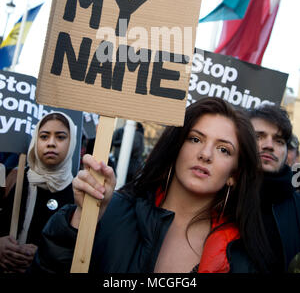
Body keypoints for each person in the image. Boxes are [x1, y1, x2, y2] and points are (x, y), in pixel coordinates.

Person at [30, 97, 274, 274]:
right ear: (175, 147)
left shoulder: (243, 254)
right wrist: (81, 221)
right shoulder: (112, 212)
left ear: (234, 174)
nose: (206, 154)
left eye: (224, 149)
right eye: (195, 139)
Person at [0, 111, 77, 273]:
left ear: (72, 142)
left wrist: (44, 256)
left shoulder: (78, 195)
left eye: (61, 137)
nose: (51, 143)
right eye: (44, 136)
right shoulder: (12, 176)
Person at [248, 104, 300, 273]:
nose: (269, 145)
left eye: (279, 140)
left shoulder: (298, 206)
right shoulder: (219, 195)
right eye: (258, 136)